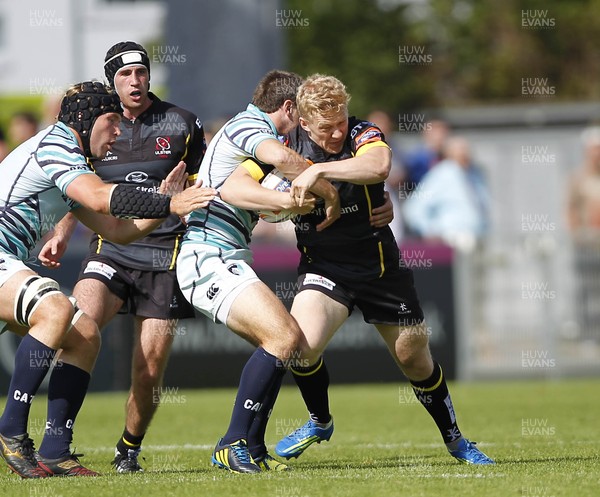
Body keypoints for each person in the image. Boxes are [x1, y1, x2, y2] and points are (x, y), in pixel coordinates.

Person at [224, 74, 494, 466]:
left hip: (380, 266)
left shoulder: (362, 131)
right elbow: (233, 188)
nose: (337, 133)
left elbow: (379, 165)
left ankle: (455, 440)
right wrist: (281, 203)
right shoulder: (283, 147)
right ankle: (319, 420)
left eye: (341, 122)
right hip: (325, 268)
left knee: (413, 358)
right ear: (303, 122)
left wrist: (319, 172)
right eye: (326, 128)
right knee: (299, 347)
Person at [0, 81, 215, 479]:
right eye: (112, 121)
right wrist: (170, 201)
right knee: (56, 308)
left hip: (6, 261)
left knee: (84, 334)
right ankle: (11, 430)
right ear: (85, 121)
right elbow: (101, 197)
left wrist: (162, 208)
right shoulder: (57, 145)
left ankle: (56, 451)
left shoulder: (73, 162)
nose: (119, 131)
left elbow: (115, 230)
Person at [176, 69, 345, 474]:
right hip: (207, 256)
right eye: (299, 112)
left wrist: (286, 203)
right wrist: (327, 190)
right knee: (285, 336)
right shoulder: (250, 125)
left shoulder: (247, 144)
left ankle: (251, 445)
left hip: (224, 256)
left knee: (284, 343)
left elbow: (245, 193)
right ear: (287, 107)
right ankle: (231, 442)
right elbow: (282, 160)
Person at [402, 136, 490, 251]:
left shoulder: (474, 175)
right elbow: (413, 208)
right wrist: (429, 232)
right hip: (452, 240)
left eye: (467, 149)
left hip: (477, 239)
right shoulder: (443, 173)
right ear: (449, 152)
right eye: (461, 149)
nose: (465, 153)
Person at [566, 126, 600, 343]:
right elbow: (569, 209)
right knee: (586, 290)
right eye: (594, 148)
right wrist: (578, 234)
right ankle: (587, 334)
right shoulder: (578, 178)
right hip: (587, 244)